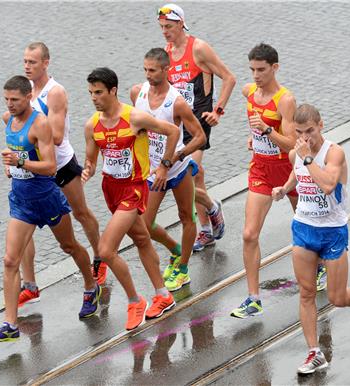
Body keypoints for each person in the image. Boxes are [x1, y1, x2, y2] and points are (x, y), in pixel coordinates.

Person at [0, 76, 100, 343]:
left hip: (46, 198)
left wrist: (20, 161)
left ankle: (90, 286)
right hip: (22, 202)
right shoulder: (9, 121)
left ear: (28, 97)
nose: (10, 104)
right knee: (10, 261)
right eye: (7, 99)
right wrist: (9, 166)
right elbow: (15, 154)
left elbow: (50, 166)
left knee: (69, 246)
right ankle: (10, 324)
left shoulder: (40, 124)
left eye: (15, 99)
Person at [272, 103, 350, 373]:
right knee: (306, 293)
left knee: (336, 297)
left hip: (332, 231)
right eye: (299, 133)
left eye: (309, 131)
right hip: (304, 227)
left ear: (321, 125)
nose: (305, 138)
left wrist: (307, 157)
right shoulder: (297, 152)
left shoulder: (334, 153)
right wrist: (284, 188)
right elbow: (297, 172)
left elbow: (328, 185)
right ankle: (314, 352)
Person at [230, 43, 326, 319]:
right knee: (249, 234)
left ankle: (320, 265)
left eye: (261, 70)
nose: (256, 75)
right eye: (252, 70)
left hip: (289, 171)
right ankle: (253, 298)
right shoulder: (249, 92)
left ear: (275, 68)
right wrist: (255, 138)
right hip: (260, 170)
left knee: (307, 224)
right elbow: (257, 127)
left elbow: (290, 144)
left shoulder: (285, 100)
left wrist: (267, 131)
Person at [82, 67, 181, 330]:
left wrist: (164, 166)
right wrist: (87, 170)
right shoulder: (92, 125)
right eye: (91, 93)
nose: (94, 98)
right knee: (140, 239)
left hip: (134, 189)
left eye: (99, 92)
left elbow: (173, 131)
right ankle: (163, 295)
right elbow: (90, 160)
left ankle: (134, 300)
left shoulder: (135, 117)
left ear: (113, 91)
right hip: (110, 190)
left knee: (105, 250)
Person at [18, 42, 105, 309]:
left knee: (81, 213)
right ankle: (30, 285)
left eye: (33, 62)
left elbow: (55, 137)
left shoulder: (55, 93)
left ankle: (101, 259)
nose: (27, 67)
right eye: (25, 62)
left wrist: (31, 125)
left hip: (62, 165)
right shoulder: (24, 92)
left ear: (46, 63)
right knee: (23, 226)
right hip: (35, 169)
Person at [158, 3, 236, 251]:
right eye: (161, 27)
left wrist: (218, 111)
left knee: (191, 171)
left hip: (200, 121)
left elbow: (229, 78)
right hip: (177, 123)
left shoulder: (199, 49)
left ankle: (206, 225)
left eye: (168, 27)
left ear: (181, 24)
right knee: (194, 174)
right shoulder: (165, 53)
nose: (165, 32)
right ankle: (210, 216)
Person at [130, 48, 206, 292]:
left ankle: (183, 268)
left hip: (177, 169)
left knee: (186, 216)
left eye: (152, 70)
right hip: (152, 171)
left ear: (166, 70)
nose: (148, 75)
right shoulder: (137, 93)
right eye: (145, 70)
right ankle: (175, 249)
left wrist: (175, 157)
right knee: (144, 224)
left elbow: (199, 137)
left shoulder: (177, 102)